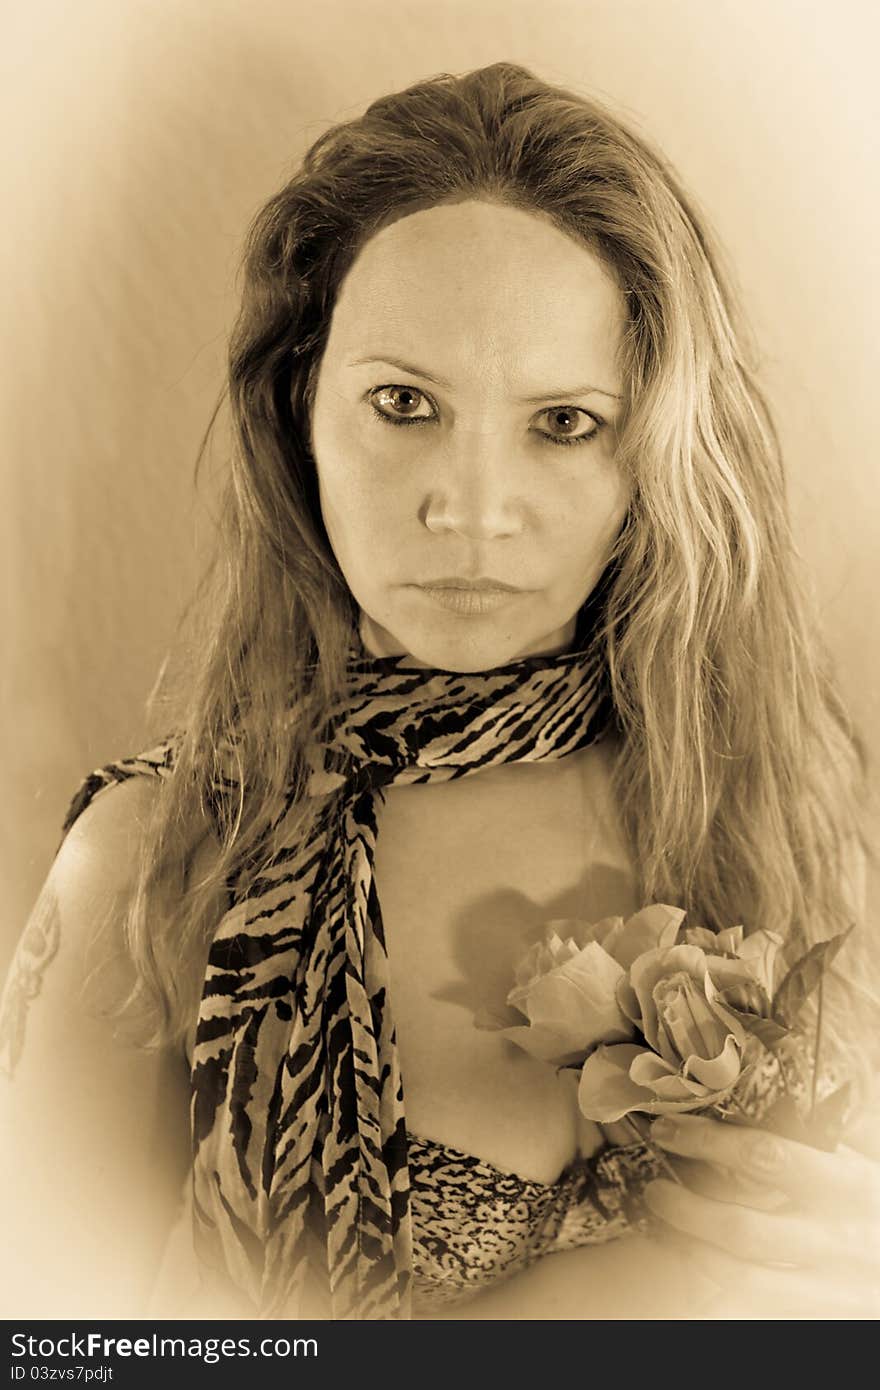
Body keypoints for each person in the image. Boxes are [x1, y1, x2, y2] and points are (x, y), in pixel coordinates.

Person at [2, 61, 878, 1322]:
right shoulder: (159, 864)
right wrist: (617, 1300)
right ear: (299, 410)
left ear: (653, 456)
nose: (470, 506)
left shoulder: (790, 812)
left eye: (563, 422)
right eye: (404, 404)